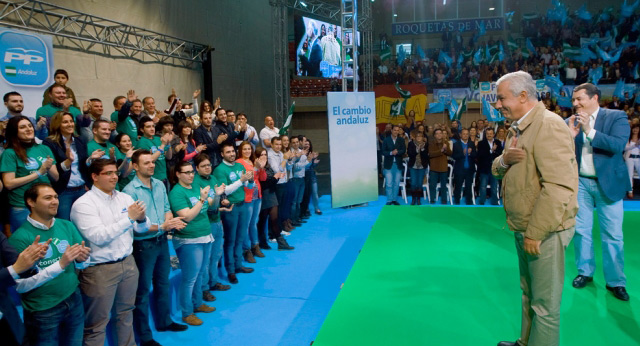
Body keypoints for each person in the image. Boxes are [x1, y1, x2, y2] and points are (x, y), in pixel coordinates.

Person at [491, 71, 578, 346]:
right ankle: (525, 342)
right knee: (529, 294)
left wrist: (535, 233)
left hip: (543, 232)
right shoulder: (517, 127)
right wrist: (503, 161)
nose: (497, 104)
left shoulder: (549, 126)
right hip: (525, 226)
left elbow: (559, 188)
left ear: (523, 96)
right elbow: (498, 169)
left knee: (545, 307)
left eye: (501, 98)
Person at [70, 158, 151, 346]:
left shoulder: (124, 198)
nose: (114, 177)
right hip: (99, 270)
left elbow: (141, 229)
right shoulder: (83, 204)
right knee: (96, 324)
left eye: (115, 172)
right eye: (108, 173)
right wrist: (129, 218)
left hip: (128, 263)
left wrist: (140, 219)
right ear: (94, 177)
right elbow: (99, 236)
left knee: (125, 314)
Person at [568, 83, 631, 301]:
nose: (575, 104)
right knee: (581, 231)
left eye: (579, 99)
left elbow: (617, 145)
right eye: (573, 100)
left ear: (595, 98)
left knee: (613, 235)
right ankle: (585, 272)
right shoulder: (573, 121)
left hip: (609, 184)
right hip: (582, 183)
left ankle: (616, 282)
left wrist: (590, 131)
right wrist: (570, 135)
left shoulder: (617, 117)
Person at [9, 183, 91, 346]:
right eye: (48, 198)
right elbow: (21, 286)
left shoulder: (66, 225)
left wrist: (82, 259)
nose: (55, 201)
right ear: (31, 202)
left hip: (73, 299)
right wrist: (60, 264)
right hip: (43, 310)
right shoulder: (19, 238)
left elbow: (82, 263)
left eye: (55, 197)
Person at [122, 150, 189, 345]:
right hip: (143, 245)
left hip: (161, 241)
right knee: (142, 291)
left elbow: (167, 209)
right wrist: (163, 226)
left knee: (163, 283)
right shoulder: (129, 191)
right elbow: (134, 225)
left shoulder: (159, 184)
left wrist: (167, 223)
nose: (151, 165)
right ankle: (144, 335)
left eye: (152, 162)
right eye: (146, 163)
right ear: (135, 166)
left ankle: (164, 321)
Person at [168, 161, 216, 326]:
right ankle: (187, 312)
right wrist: (202, 201)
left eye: (191, 172)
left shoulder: (195, 187)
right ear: (178, 174)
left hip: (205, 234)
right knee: (190, 278)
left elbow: (207, 205)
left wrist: (215, 195)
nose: (190, 175)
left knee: (201, 273)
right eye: (186, 172)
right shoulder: (176, 193)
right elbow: (187, 216)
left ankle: (198, 303)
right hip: (189, 239)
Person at [0, 116, 59, 231]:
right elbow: (8, 183)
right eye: (22, 127)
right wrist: (39, 172)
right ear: (14, 131)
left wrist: (48, 167)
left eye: (30, 126)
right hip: (22, 206)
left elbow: (56, 177)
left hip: (45, 205)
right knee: (28, 245)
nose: (28, 129)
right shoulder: (9, 153)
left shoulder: (44, 148)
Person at [0, 231, 52, 346]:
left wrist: (32, 259)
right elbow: (16, 267)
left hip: (8, 318)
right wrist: (15, 269)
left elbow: (15, 261)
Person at [213, 143, 254, 284]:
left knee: (240, 238)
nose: (232, 154)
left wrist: (250, 179)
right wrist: (241, 180)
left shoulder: (239, 166)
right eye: (228, 152)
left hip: (242, 205)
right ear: (222, 154)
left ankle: (238, 265)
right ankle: (230, 270)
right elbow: (224, 191)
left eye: (233, 151)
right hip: (230, 207)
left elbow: (248, 186)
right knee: (230, 240)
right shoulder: (219, 170)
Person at [193, 153, 231, 296]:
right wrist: (216, 199)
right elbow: (206, 205)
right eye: (203, 166)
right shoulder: (196, 182)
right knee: (206, 259)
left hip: (217, 220)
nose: (207, 168)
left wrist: (223, 201)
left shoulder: (213, 178)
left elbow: (216, 199)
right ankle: (204, 288)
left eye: (209, 165)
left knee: (216, 254)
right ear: (196, 168)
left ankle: (213, 282)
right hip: (206, 223)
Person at [43, 111, 89, 220]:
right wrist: (68, 161)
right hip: (63, 191)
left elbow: (83, 165)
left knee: (83, 222)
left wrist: (91, 159)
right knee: (65, 223)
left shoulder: (80, 140)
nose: (70, 124)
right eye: (65, 122)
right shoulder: (49, 143)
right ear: (57, 124)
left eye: (71, 121)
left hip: (82, 189)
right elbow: (53, 171)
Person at [256, 146, 294, 250]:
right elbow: (263, 184)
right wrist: (275, 178)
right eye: (261, 155)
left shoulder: (268, 166)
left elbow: (271, 182)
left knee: (274, 219)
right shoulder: (258, 167)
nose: (264, 156)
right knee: (262, 220)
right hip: (263, 195)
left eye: (265, 154)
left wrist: (276, 178)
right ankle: (262, 242)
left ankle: (280, 242)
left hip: (272, 194)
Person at [236, 141, 267, 263]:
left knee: (254, 222)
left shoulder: (254, 161)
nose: (247, 151)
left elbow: (262, 178)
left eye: (249, 149)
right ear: (241, 151)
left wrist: (262, 168)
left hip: (257, 196)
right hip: (247, 197)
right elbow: (247, 177)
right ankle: (246, 249)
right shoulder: (239, 163)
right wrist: (256, 168)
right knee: (246, 224)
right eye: (245, 149)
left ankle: (255, 246)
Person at [137, 116, 174, 187]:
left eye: (153, 126)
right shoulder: (141, 142)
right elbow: (150, 160)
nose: (152, 129)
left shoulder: (158, 139)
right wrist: (163, 145)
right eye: (148, 127)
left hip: (164, 176)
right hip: (153, 178)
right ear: (142, 129)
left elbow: (169, 157)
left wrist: (168, 143)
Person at [476, 127, 502, 205]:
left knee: (494, 186)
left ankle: (494, 202)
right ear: (485, 135)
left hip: (495, 168)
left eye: (491, 134)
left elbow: (500, 154)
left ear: (493, 134)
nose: (489, 135)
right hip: (484, 168)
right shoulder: (481, 143)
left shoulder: (498, 143)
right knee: (483, 186)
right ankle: (482, 201)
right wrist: (491, 150)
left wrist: (494, 151)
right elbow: (480, 155)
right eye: (487, 134)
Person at [452, 128, 477, 205]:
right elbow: (454, 156)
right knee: (458, 185)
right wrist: (463, 153)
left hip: (469, 169)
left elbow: (475, 155)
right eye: (464, 134)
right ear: (460, 135)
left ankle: (469, 201)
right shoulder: (456, 144)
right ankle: (457, 200)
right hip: (459, 169)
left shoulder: (471, 144)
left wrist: (470, 153)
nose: (465, 135)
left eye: (467, 134)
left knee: (468, 186)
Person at [382, 125, 406, 205]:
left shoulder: (401, 140)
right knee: (389, 183)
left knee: (396, 183)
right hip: (389, 165)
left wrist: (397, 152)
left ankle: (394, 199)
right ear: (391, 130)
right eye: (395, 130)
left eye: (397, 130)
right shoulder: (386, 140)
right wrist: (391, 153)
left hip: (398, 164)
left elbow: (403, 150)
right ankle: (389, 200)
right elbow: (383, 151)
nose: (396, 132)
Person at [428, 129, 451, 204]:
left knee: (443, 185)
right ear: (434, 135)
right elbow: (431, 154)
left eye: (440, 133)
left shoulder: (446, 143)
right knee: (432, 185)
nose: (439, 135)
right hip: (434, 167)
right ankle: (432, 199)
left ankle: (444, 200)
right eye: (437, 133)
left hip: (443, 167)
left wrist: (445, 149)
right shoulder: (431, 143)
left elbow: (450, 153)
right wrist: (441, 151)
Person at [407, 131, 428, 205]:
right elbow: (409, 154)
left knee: (419, 184)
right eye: (417, 136)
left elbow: (426, 156)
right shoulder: (411, 144)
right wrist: (416, 150)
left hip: (422, 166)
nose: (419, 137)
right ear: (415, 137)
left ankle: (418, 199)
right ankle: (413, 199)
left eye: (420, 136)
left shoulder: (426, 145)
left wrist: (422, 150)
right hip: (413, 166)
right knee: (413, 183)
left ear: (423, 138)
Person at [624, 125, 640, 199]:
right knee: (630, 175)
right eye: (634, 128)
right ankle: (630, 191)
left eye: (637, 128)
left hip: (638, 158)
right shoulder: (628, 139)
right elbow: (625, 148)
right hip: (629, 158)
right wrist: (634, 145)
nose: (635, 130)